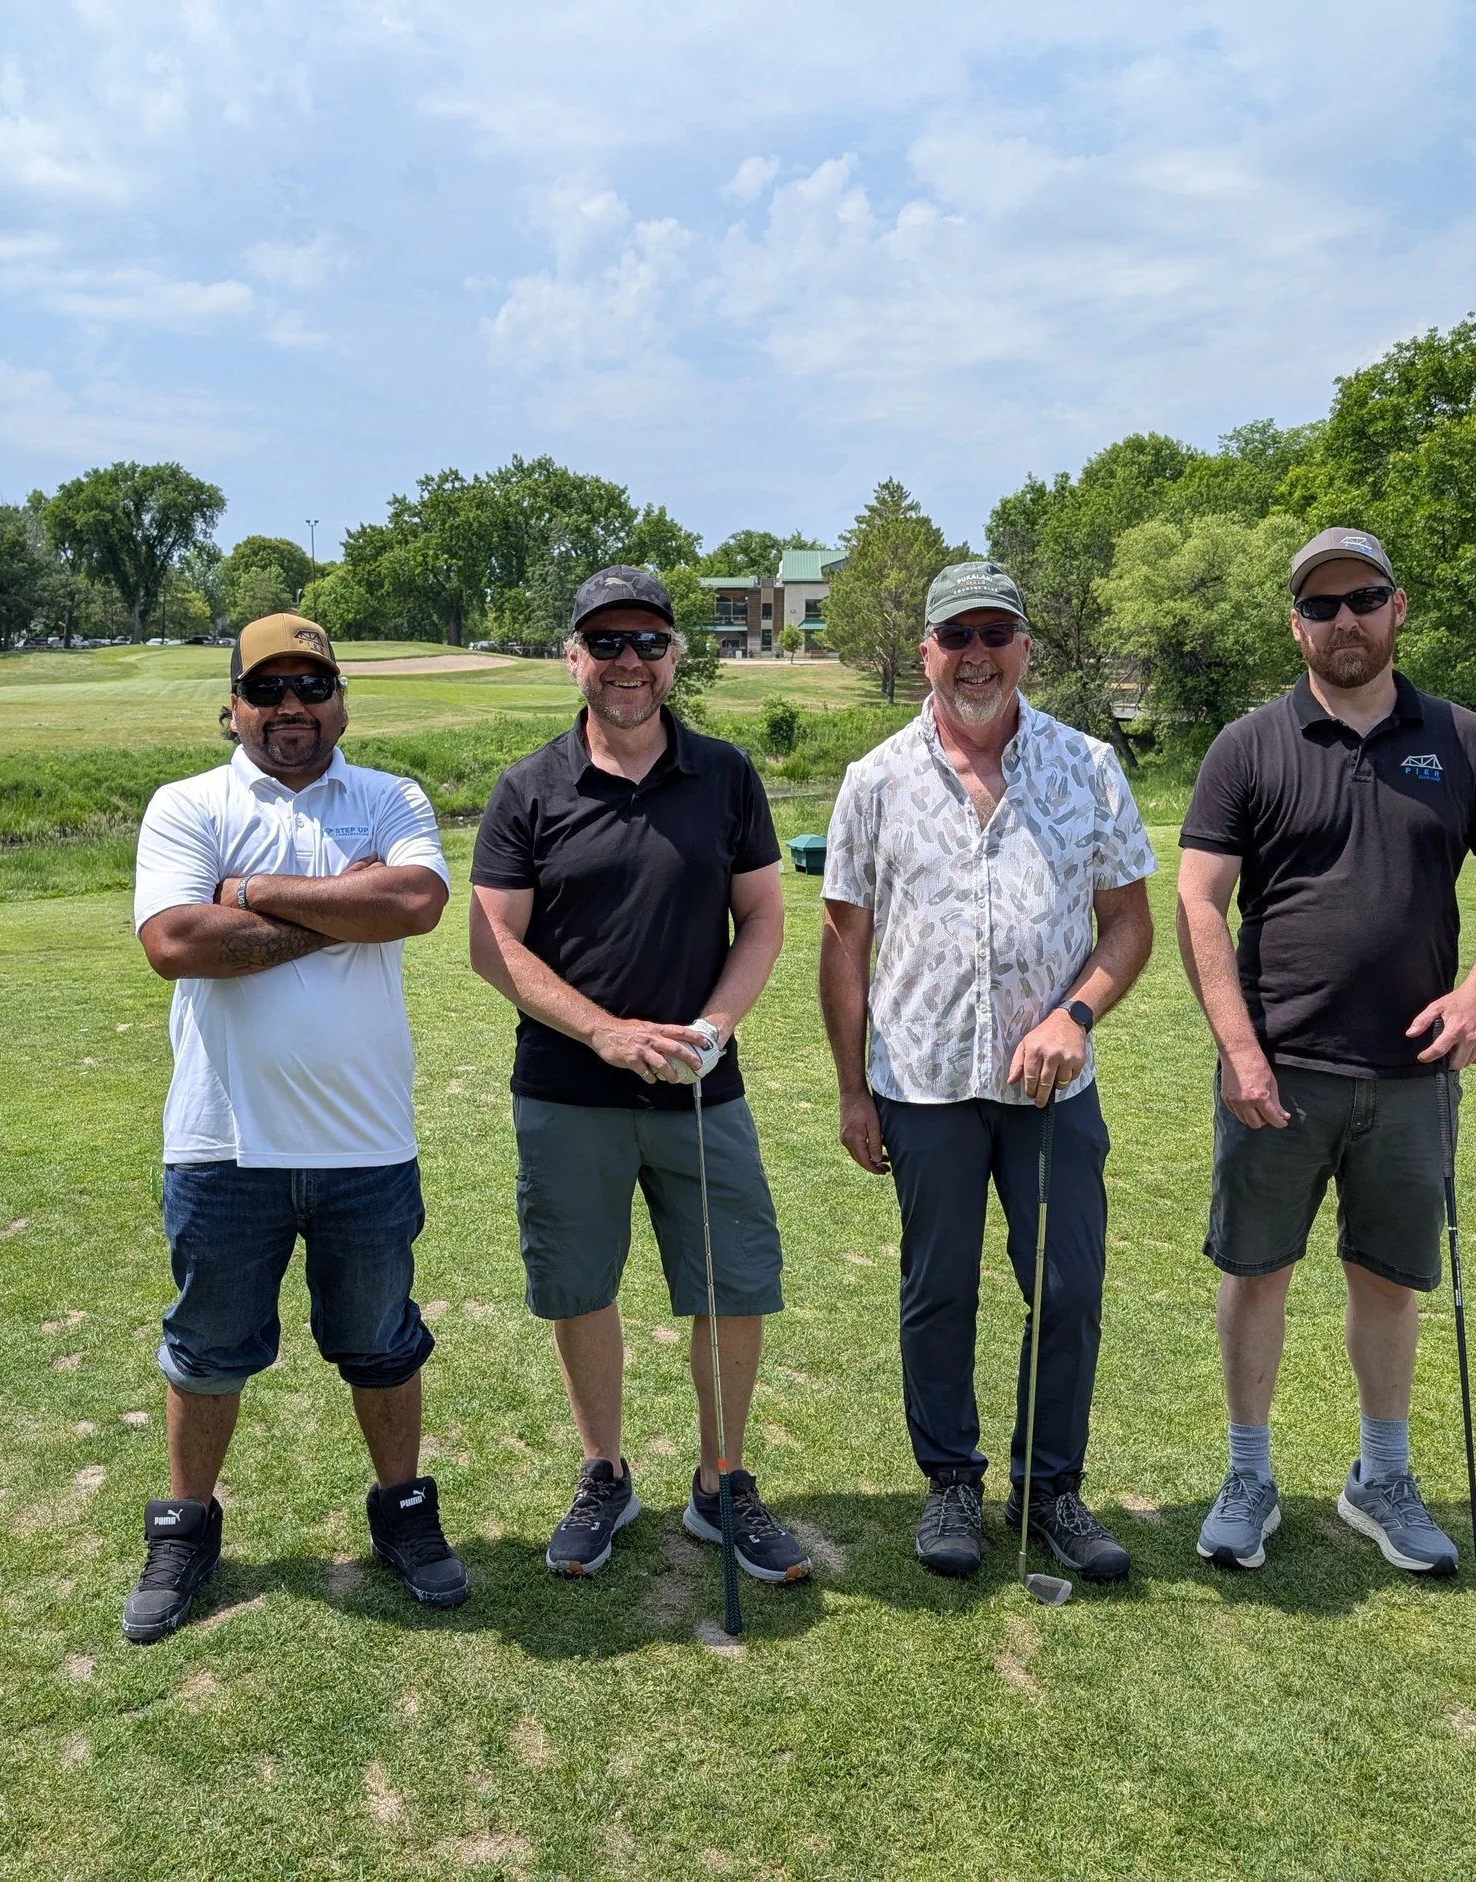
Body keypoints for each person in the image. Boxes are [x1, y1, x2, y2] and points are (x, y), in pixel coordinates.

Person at [1176, 527, 1476, 1576]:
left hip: (1411, 1075)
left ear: (1396, 609)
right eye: (1321, 605)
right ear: (1295, 623)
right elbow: (1200, 903)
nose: (1343, 620)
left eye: (1363, 598)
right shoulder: (1247, 745)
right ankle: (1249, 1474)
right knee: (1257, 1272)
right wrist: (1237, 1046)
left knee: (1386, 1276)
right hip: (1277, 1070)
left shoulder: (1463, 740)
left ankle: (1378, 1476)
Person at [123, 613, 468, 1642]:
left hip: (365, 1139)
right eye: (266, 689)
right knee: (208, 1347)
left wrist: (258, 894)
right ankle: (187, 1526)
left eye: (311, 687)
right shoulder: (188, 804)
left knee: (380, 1341)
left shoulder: (389, 796)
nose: (290, 708)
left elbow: (412, 901)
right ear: (230, 705)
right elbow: (177, 938)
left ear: (341, 700)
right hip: (222, 1142)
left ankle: (404, 1514)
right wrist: (339, 906)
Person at [468, 565, 810, 1585]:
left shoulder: (725, 775)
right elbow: (495, 946)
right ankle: (603, 1471)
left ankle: (720, 1480)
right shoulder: (528, 789)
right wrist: (607, 1032)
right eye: (604, 643)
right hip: (569, 1090)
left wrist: (714, 1024)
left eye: (647, 643)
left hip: (702, 1085)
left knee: (732, 1282)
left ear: (674, 656)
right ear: (572, 656)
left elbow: (761, 918)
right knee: (580, 1286)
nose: (627, 663)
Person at [819, 561, 1157, 1583]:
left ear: (1024, 648)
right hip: (920, 1083)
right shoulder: (874, 779)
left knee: (1066, 1286)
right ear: (923, 650)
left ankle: (1051, 1486)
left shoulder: (1086, 765)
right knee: (938, 1291)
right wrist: (849, 1088)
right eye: (954, 634)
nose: (975, 653)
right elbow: (843, 946)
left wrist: (1075, 1012)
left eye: (995, 633)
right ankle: (952, 1485)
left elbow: (1130, 926)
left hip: (1050, 1089)